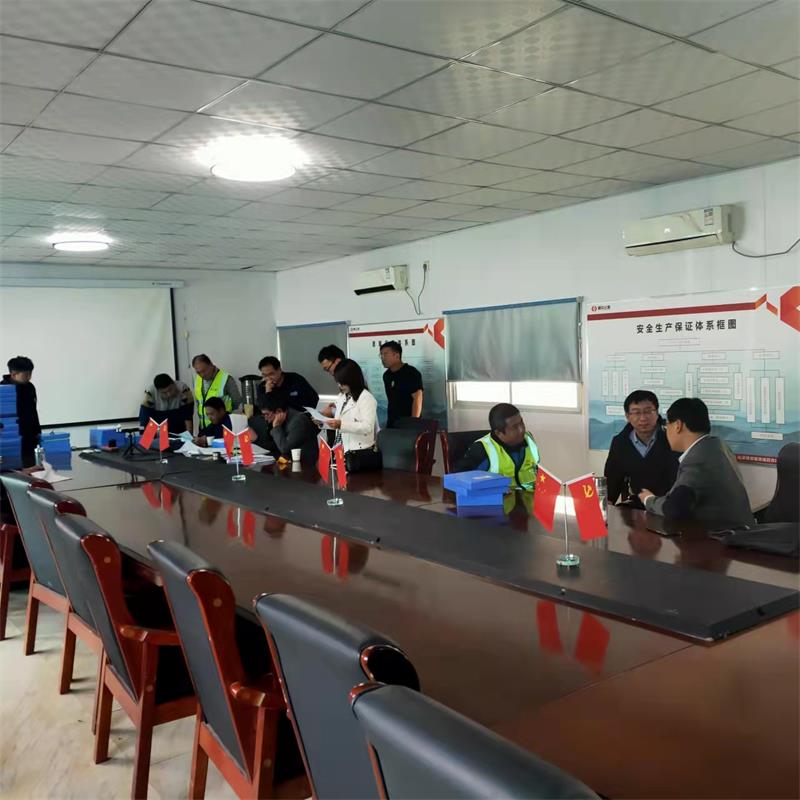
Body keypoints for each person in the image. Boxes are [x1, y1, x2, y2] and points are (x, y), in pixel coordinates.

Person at [639, 397, 754, 527]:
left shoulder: (697, 459)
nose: (666, 432)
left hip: (723, 536)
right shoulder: (717, 446)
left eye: (667, 426)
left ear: (678, 425)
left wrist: (648, 499)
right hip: (740, 530)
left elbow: (674, 508)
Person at [604, 389, 678, 506]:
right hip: (636, 505)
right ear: (627, 416)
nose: (643, 418)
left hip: (668, 505)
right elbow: (613, 480)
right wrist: (607, 503)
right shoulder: (620, 442)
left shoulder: (673, 438)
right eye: (636, 413)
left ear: (657, 412)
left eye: (648, 411)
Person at [455, 403, 540, 490]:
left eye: (521, 422)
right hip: (501, 497)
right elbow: (459, 479)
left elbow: (538, 470)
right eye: (514, 427)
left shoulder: (529, 438)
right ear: (499, 433)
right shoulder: (482, 449)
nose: (521, 429)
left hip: (533, 496)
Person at [325, 359, 378, 454]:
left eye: (343, 383)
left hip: (359, 452)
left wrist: (341, 424)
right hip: (340, 449)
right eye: (338, 382)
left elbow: (368, 427)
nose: (340, 386)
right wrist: (323, 422)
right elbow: (338, 421)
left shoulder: (366, 397)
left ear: (352, 380)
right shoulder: (342, 396)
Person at [1, 356, 41, 467]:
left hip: (30, 438)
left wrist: (38, 433)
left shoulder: (30, 387)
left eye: (30, 373)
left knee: (33, 468)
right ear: (14, 374)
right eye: (26, 374)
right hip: (11, 440)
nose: (29, 377)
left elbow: (34, 412)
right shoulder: (3, 390)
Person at [260, 390, 319, 462]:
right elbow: (274, 446)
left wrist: (276, 427)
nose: (265, 418)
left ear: (279, 411)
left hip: (305, 464)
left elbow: (284, 448)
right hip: (289, 461)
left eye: (266, 414)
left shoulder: (299, 421)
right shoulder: (279, 420)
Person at [380, 340, 423, 427]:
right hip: (392, 423)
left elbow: (418, 398)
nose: (383, 358)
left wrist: (413, 422)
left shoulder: (411, 372)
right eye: (381, 355)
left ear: (397, 355)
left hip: (408, 422)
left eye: (386, 354)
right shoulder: (386, 375)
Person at [192, 354, 241, 431]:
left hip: (222, 428)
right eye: (198, 372)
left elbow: (237, 402)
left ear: (211, 365)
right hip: (204, 428)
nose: (202, 375)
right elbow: (199, 403)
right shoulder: (198, 380)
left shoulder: (226, 379)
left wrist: (228, 421)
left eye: (204, 371)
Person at [318, 345, 346, 421]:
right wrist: (338, 405)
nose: (330, 373)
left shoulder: (353, 376)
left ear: (337, 361)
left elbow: (354, 413)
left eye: (328, 369)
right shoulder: (341, 379)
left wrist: (333, 412)